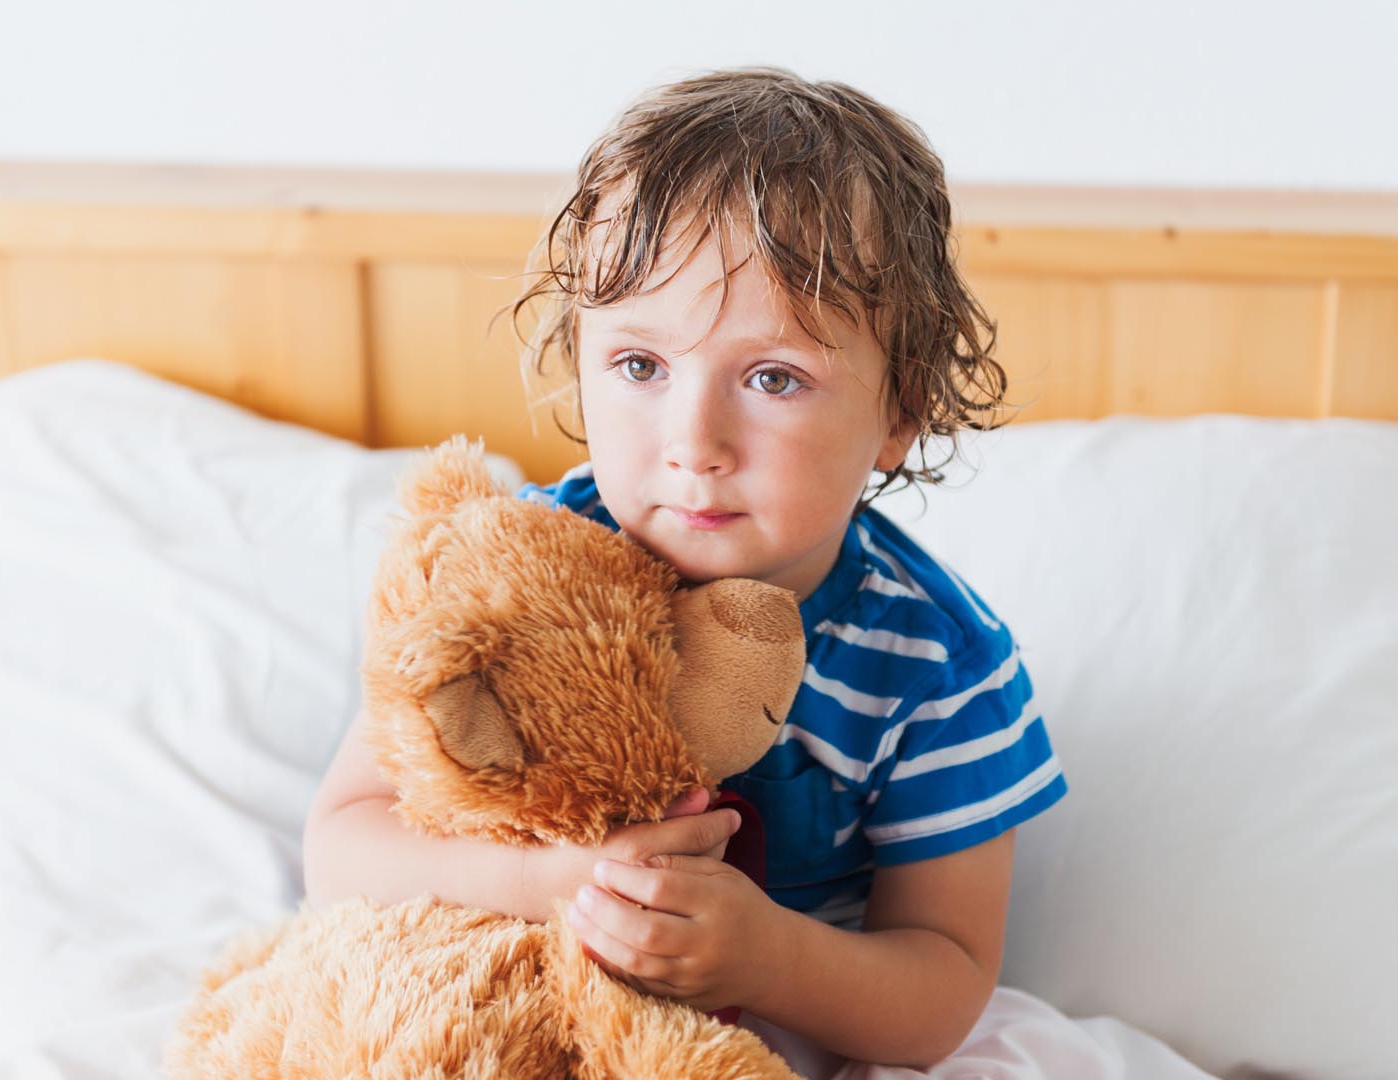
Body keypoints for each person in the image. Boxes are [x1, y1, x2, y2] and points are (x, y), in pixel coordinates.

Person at [303, 67, 1066, 1071]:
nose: (692, 442)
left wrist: (767, 958)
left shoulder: (934, 663)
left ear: (901, 411)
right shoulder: (514, 572)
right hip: (497, 990)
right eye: (641, 367)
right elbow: (341, 844)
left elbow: (944, 989)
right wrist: (553, 885)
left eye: (773, 378)